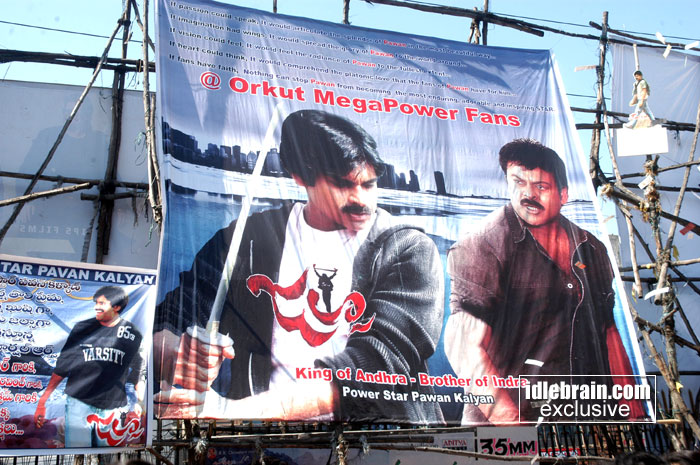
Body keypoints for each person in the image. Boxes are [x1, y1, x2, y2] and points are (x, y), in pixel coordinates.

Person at [154, 109, 444, 423]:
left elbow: (379, 368)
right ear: (301, 177)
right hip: (263, 443)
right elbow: (165, 322)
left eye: (369, 184)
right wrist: (177, 354)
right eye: (343, 185)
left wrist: (233, 411)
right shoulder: (246, 240)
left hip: (384, 442)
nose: (361, 200)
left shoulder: (407, 249)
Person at [444, 138, 641, 424]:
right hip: (506, 427)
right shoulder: (481, 245)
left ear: (564, 194)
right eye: (518, 182)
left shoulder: (592, 248)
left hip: (586, 420)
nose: (528, 194)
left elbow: (608, 331)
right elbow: (464, 345)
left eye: (541, 186)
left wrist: (632, 412)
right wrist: (514, 426)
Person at [34, 285, 146, 447]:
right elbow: (63, 366)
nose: (96, 307)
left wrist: (141, 402)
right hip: (79, 403)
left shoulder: (132, 333)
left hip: (113, 406)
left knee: (109, 453)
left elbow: (139, 371)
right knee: (77, 448)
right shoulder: (82, 328)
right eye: (96, 303)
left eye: (102, 303)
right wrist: (43, 401)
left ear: (116, 307)